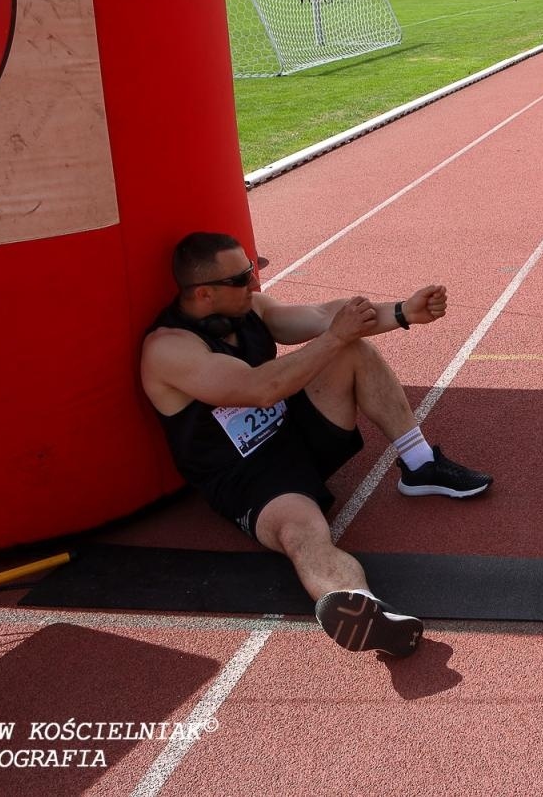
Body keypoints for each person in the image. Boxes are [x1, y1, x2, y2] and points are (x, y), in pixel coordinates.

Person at [140, 233, 493, 658]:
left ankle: (419, 464)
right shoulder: (168, 349)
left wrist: (403, 313)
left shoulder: (251, 308)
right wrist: (334, 337)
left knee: (352, 351)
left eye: (253, 270)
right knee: (302, 532)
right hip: (248, 476)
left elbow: (325, 316)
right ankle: (365, 608)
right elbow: (261, 388)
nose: (255, 285)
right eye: (242, 278)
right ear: (204, 292)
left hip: (293, 433)